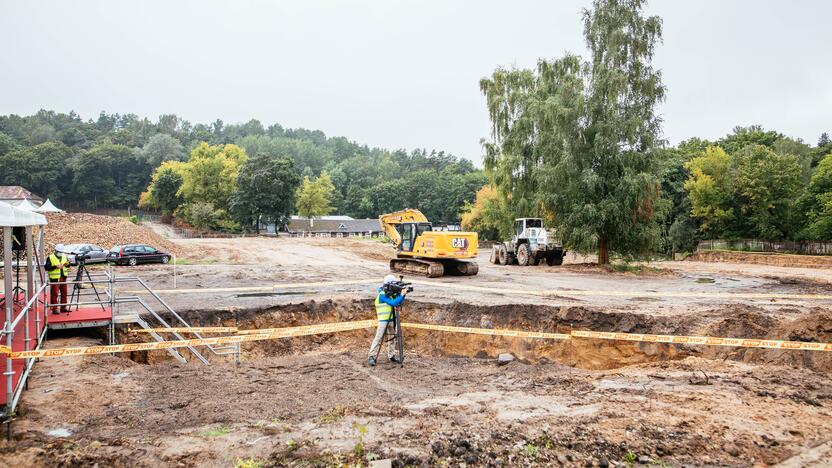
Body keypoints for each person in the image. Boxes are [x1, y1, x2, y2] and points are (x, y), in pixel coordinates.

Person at [368, 274, 407, 366]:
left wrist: (402, 295)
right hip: (383, 320)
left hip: (391, 319)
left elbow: (398, 301)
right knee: (378, 338)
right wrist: (401, 295)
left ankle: (391, 355)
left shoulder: (390, 294)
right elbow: (393, 303)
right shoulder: (382, 295)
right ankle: (371, 356)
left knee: (392, 338)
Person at [46, 246, 70, 314]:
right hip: (55, 279)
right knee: (54, 294)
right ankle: (55, 308)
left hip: (63, 277)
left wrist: (67, 264)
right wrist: (56, 266)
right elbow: (47, 267)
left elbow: (68, 265)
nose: (60, 253)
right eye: (59, 252)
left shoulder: (64, 256)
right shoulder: (50, 257)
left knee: (64, 293)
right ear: (56, 251)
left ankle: (63, 307)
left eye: (61, 252)